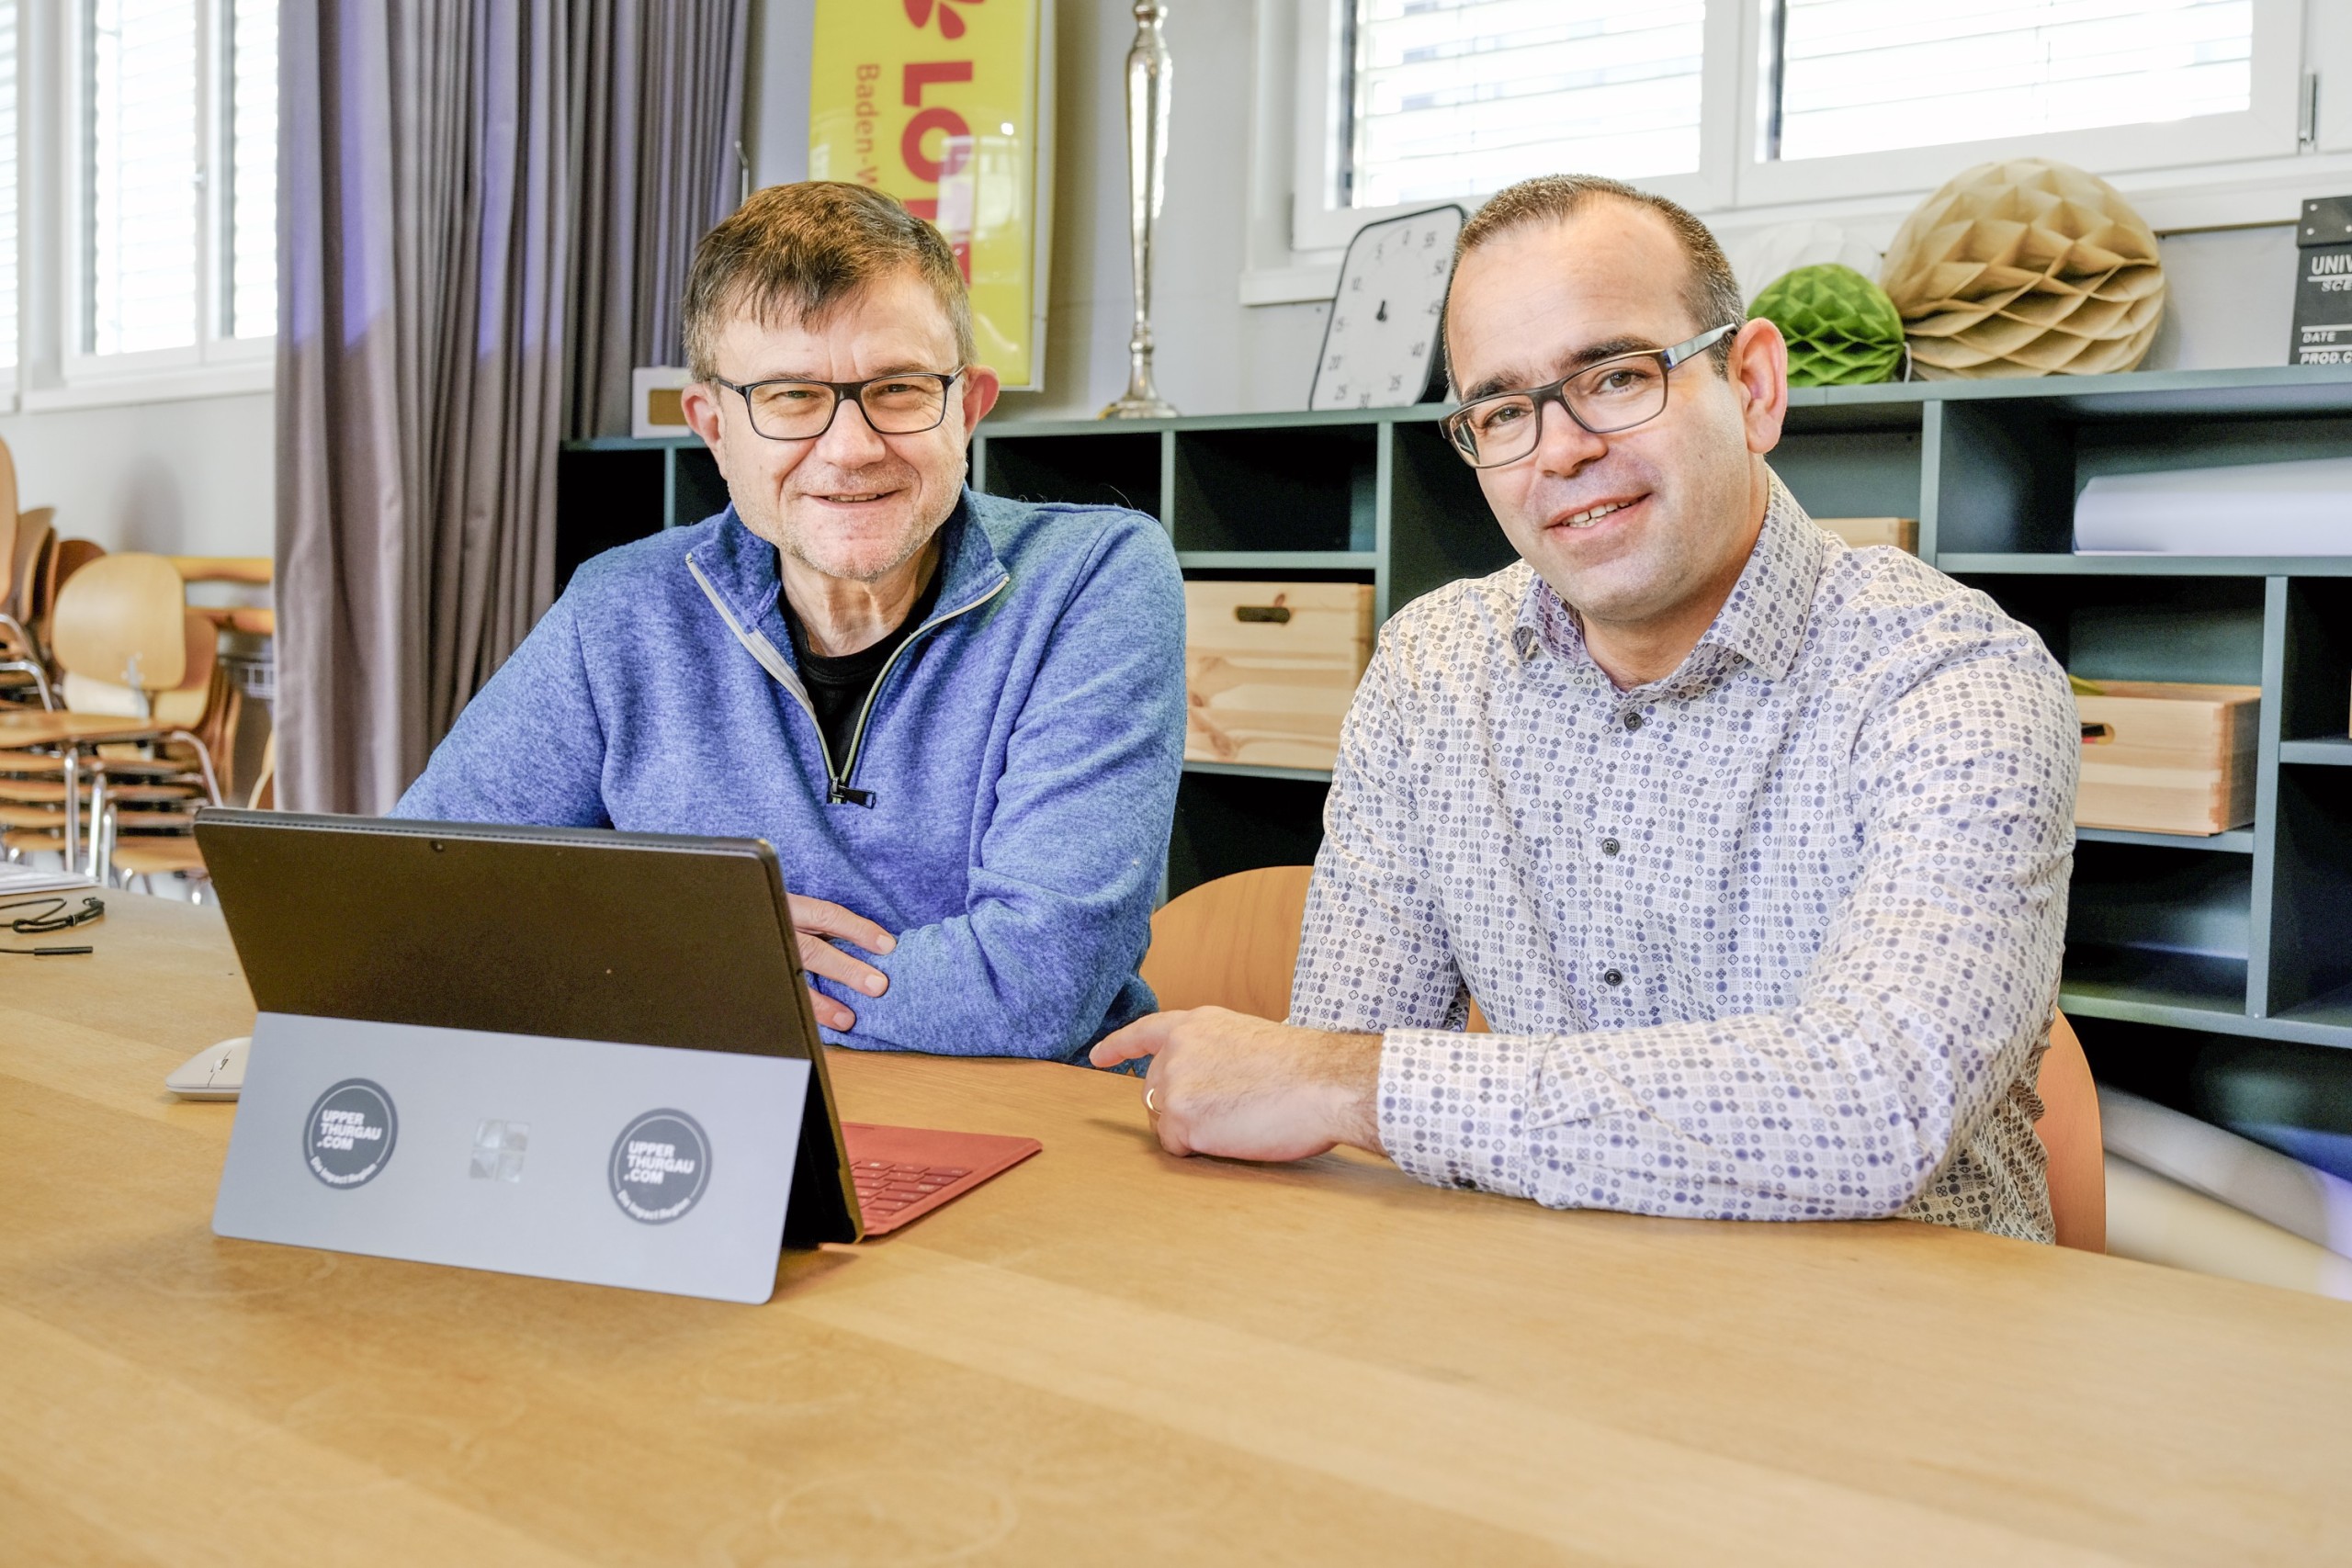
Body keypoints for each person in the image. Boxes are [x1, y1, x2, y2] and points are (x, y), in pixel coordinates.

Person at [1094, 174, 2077, 1241]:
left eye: (1613, 376)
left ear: (1752, 386)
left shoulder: (1955, 678)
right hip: (1540, 1318)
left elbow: (1875, 1107)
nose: (1558, 450)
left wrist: (1358, 1087)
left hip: (1906, 1353)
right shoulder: (1431, 671)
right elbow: (1327, 1056)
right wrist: (1328, 1081)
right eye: (1503, 410)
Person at [398, 182, 1186, 1061]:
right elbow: (423, 896)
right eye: (789, 396)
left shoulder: (1096, 579)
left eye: (896, 388)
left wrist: (701, 971)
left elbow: (1037, 987)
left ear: (966, 407)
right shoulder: (618, 608)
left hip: (1027, 1133)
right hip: (704, 1125)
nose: (850, 449)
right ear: (715, 427)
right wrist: (680, 949)